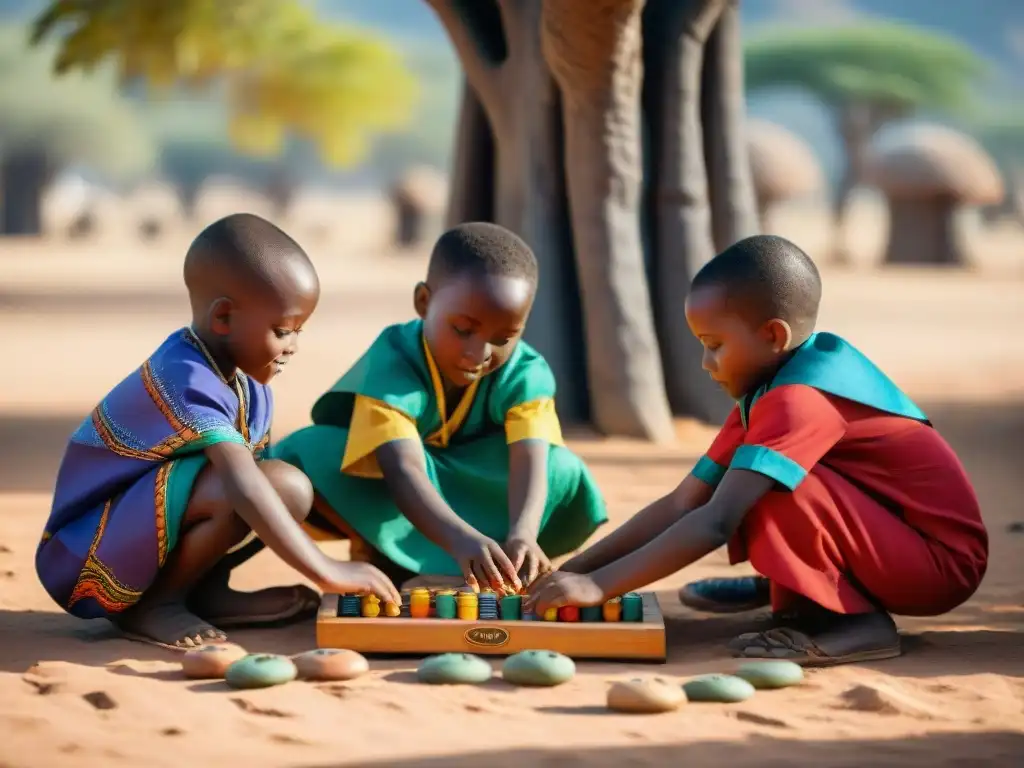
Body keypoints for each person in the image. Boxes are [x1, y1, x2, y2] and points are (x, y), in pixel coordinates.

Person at [526, 235, 988, 666]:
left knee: (763, 487)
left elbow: (716, 520)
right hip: (889, 541)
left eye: (715, 346)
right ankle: (791, 588)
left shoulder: (800, 399)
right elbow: (684, 501)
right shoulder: (766, 390)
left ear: (772, 336)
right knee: (751, 478)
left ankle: (856, 623)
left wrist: (597, 585)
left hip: (936, 564)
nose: (706, 364)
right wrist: (579, 567)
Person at [36, 213, 401, 650]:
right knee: (255, 487)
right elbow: (242, 486)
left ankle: (202, 592)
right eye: (283, 331)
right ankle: (154, 605)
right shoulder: (185, 378)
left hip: (139, 531)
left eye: (299, 332)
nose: (293, 348)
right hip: (84, 554)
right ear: (224, 317)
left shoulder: (245, 382)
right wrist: (327, 570)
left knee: (286, 489)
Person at [271, 222, 608, 591]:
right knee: (304, 452)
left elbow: (529, 458)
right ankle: (385, 552)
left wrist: (524, 532)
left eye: (503, 338)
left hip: (481, 485)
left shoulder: (526, 372)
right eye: (464, 330)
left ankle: (501, 559)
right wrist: (459, 539)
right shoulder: (396, 357)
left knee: (561, 466)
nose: (479, 354)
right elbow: (405, 469)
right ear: (423, 302)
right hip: (400, 487)